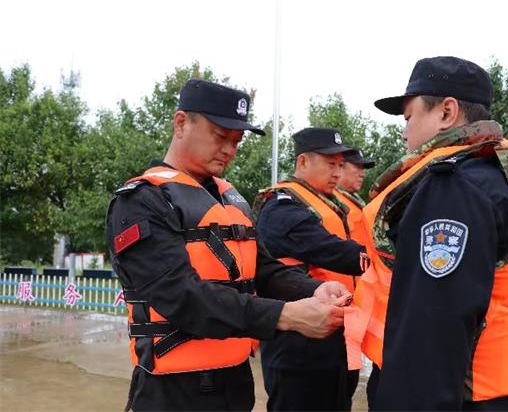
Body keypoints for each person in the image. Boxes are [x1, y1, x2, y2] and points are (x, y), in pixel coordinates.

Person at [105, 79, 351, 412]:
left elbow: (264, 269)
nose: (229, 150)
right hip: (173, 392)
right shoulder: (141, 201)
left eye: (236, 141)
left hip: (235, 382)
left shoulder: (230, 199)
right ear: (181, 123)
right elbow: (181, 297)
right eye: (220, 136)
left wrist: (313, 289)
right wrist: (286, 316)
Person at [345, 56, 508, 410]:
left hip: (464, 398)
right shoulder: (497, 177)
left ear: (447, 112)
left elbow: (432, 333)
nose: (404, 132)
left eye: (408, 117)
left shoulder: (452, 187)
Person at [254, 127, 366, 411]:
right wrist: (384, 259)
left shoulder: (330, 203)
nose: (337, 173)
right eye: (330, 164)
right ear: (303, 161)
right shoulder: (282, 208)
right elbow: (332, 251)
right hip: (299, 347)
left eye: (340, 165)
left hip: (338, 339)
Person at [335, 147, 375, 247]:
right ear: (340, 167)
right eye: (357, 167)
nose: (362, 174)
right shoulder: (330, 201)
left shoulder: (355, 200)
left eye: (363, 169)